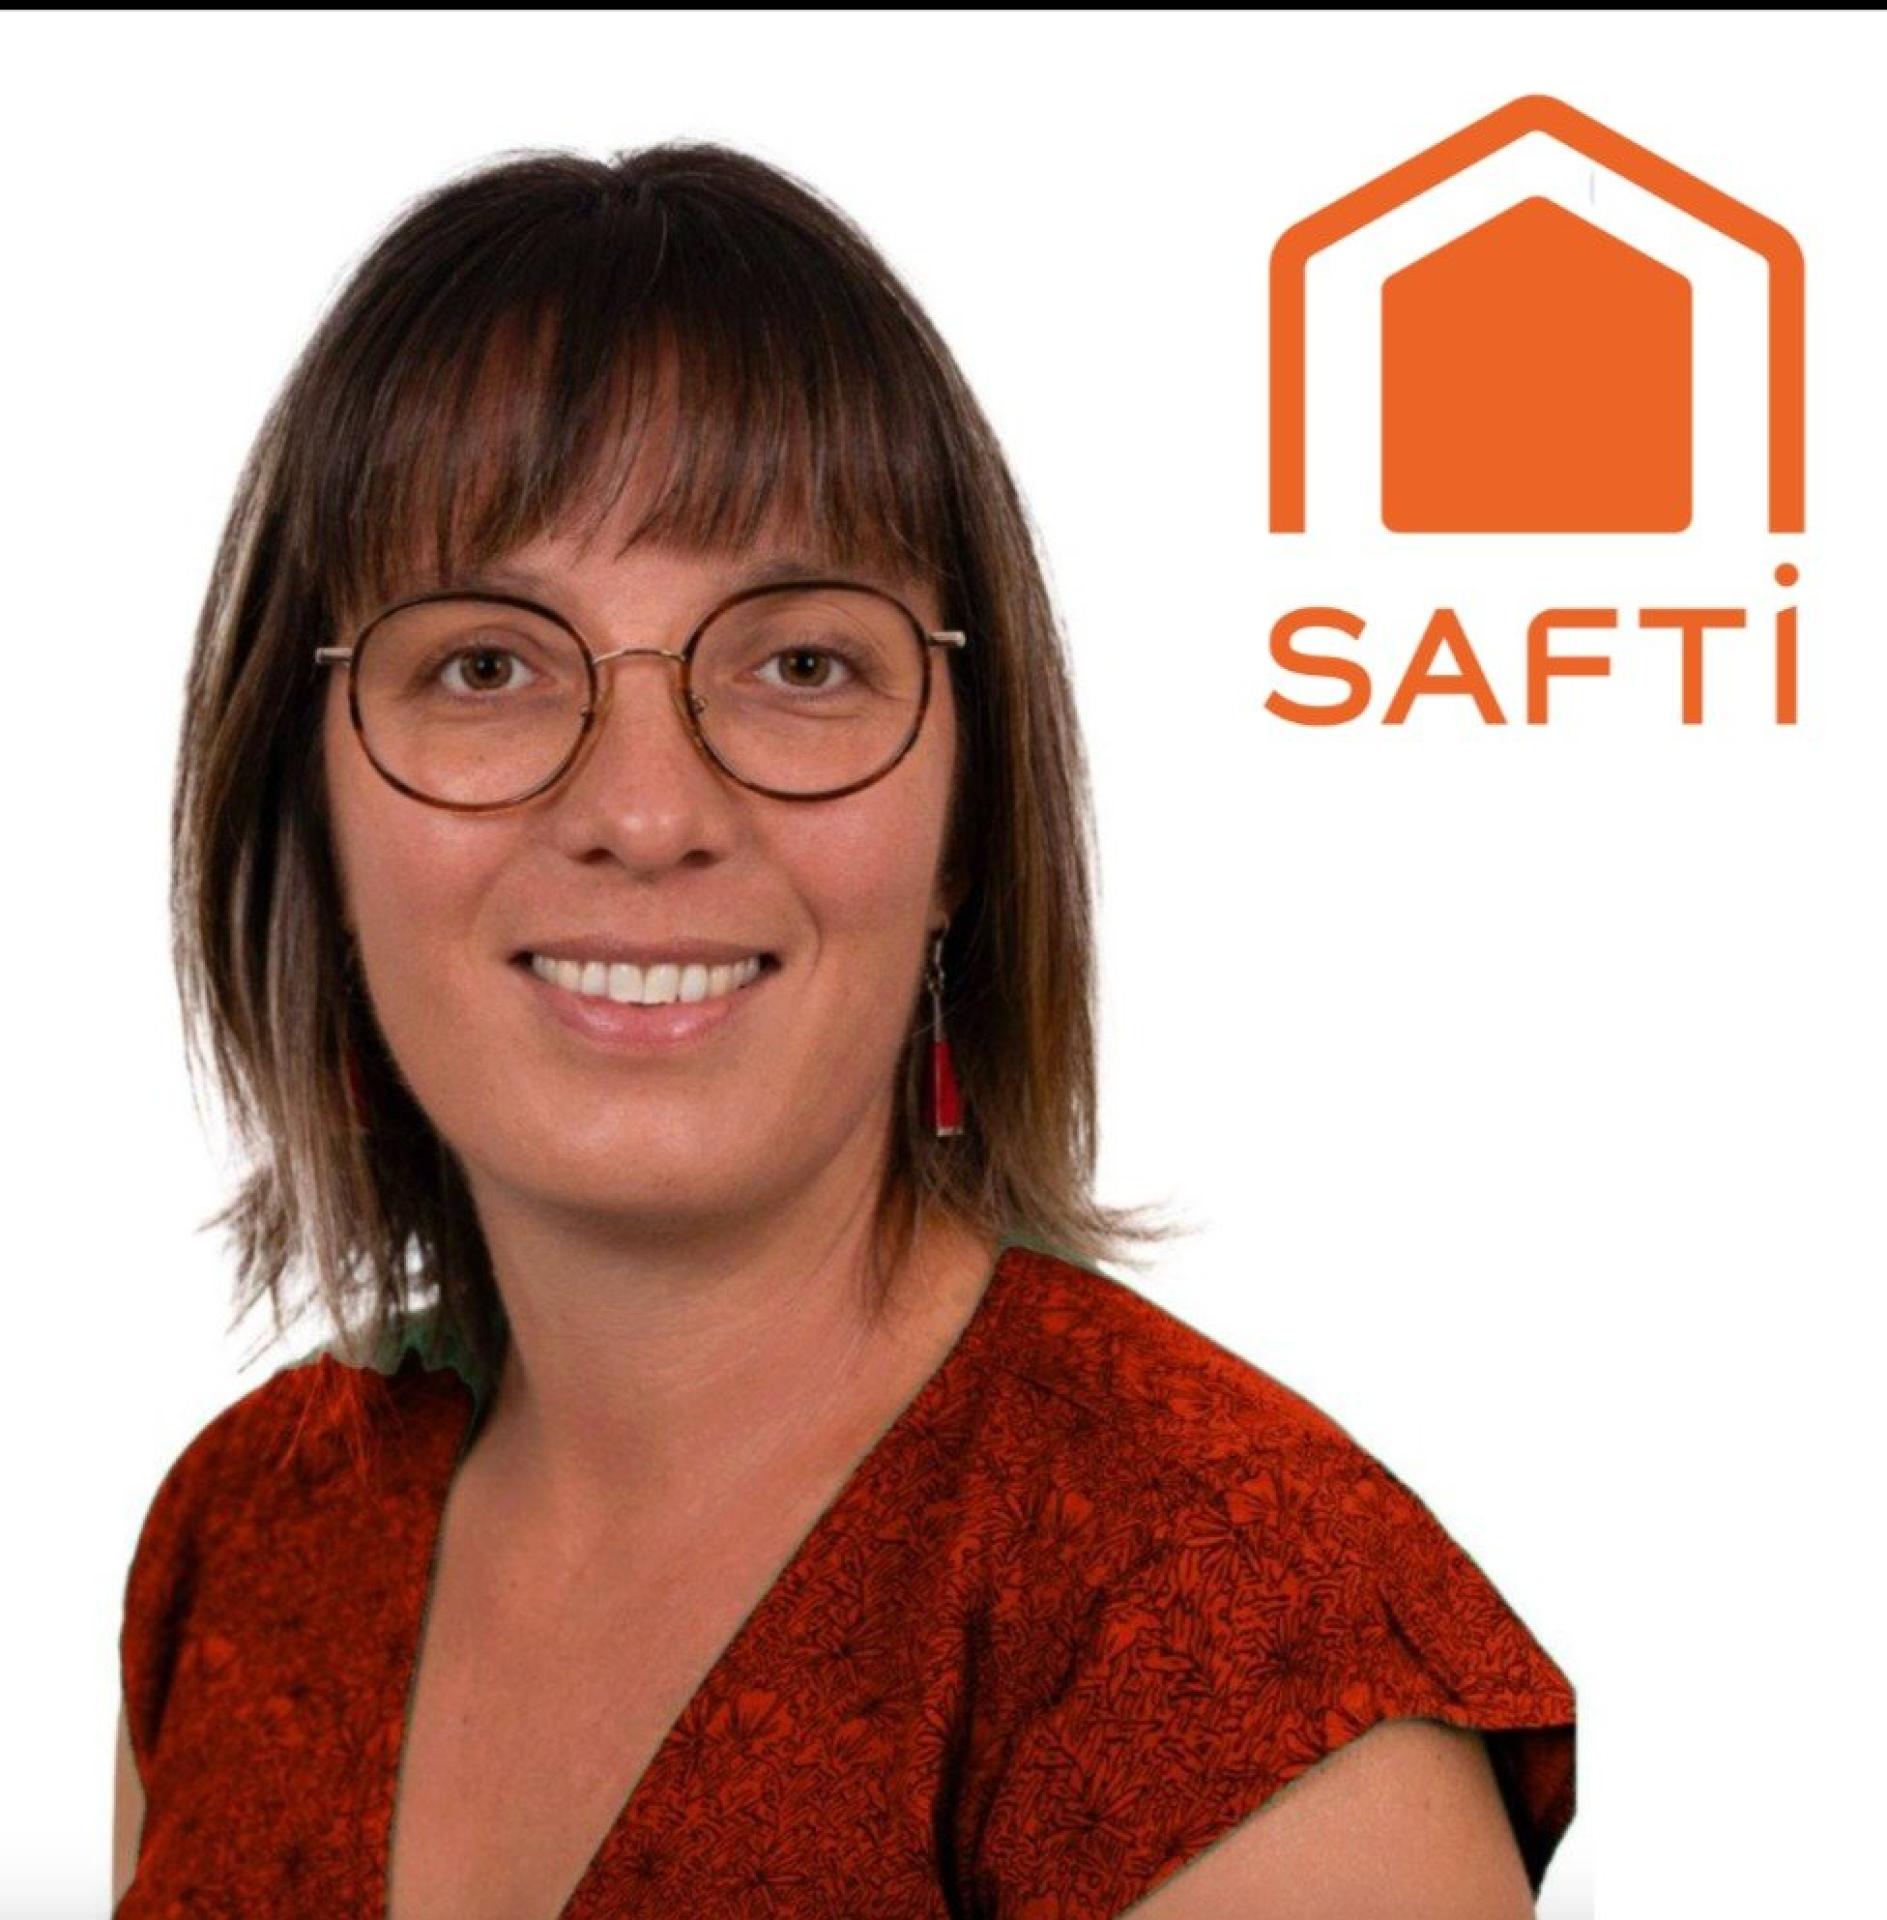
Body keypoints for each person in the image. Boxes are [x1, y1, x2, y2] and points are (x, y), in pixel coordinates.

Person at [114, 140, 1576, 1919]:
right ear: (311, 815)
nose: (645, 814)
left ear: (964, 827)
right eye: (486, 665)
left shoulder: (1233, 1636)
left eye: (798, 664)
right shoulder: (241, 1544)